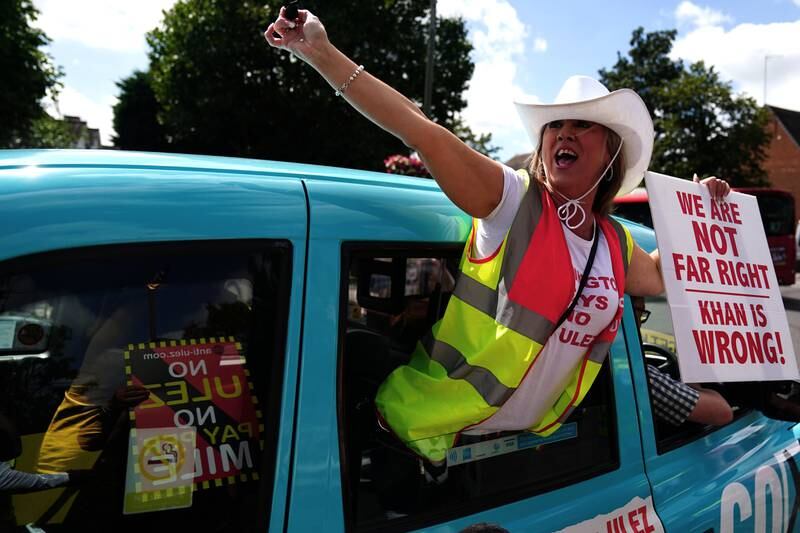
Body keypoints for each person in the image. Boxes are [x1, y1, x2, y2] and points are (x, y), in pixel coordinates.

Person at [264, 8, 731, 464]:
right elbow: (423, 132)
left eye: (582, 125)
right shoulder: (513, 200)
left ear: (612, 153)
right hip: (418, 436)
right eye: (556, 126)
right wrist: (320, 52)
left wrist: (699, 215)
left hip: (507, 454)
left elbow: (661, 277)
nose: (564, 134)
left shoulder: (614, 242)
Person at [631, 296, 733, 426]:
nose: (640, 322)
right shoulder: (639, 379)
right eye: (640, 313)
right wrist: (692, 379)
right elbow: (722, 413)